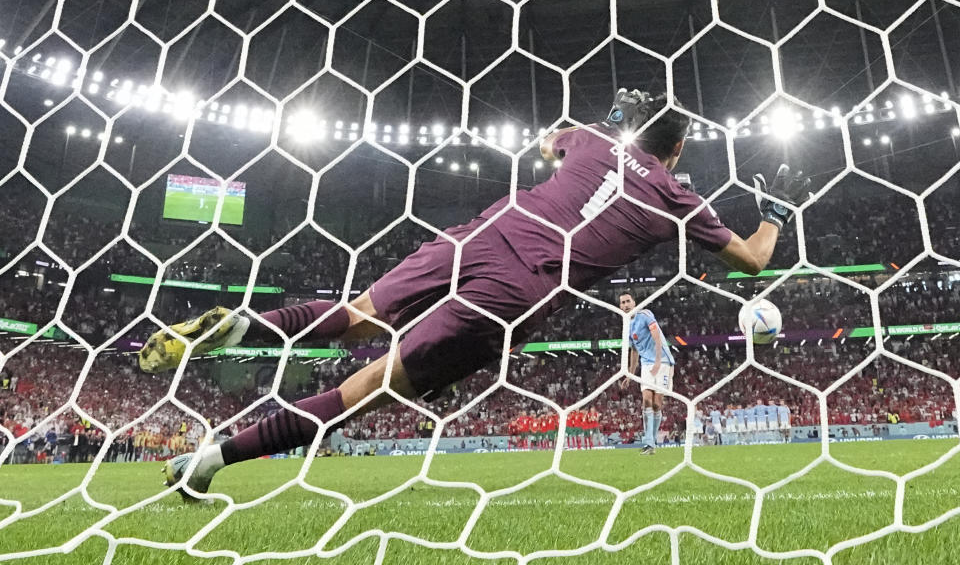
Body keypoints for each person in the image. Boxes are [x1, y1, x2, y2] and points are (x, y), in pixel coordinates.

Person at [147, 89, 811, 497]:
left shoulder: (589, 139)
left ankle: (245, 327)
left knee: (356, 316)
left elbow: (549, 141)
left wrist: (609, 124)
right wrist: (776, 213)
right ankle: (209, 461)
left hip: (487, 233)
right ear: (677, 150)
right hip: (520, 286)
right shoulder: (674, 194)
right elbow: (752, 260)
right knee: (367, 387)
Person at [620, 297, 675, 455]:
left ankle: (653, 440)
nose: (625, 305)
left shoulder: (645, 314)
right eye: (622, 303)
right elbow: (634, 350)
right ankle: (649, 443)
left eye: (628, 301)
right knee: (646, 400)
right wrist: (630, 375)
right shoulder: (627, 326)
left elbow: (656, 335)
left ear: (634, 303)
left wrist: (658, 360)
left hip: (663, 361)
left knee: (657, 404)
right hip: (646, 364)